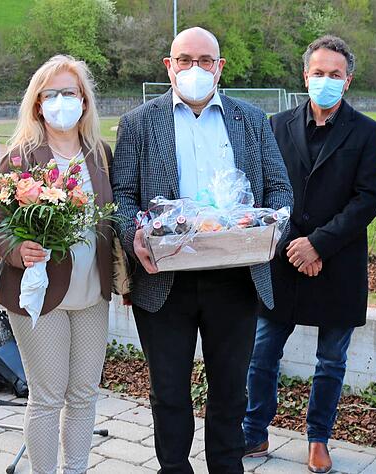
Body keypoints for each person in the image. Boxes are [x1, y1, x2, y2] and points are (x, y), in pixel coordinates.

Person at [111, 27, 293, 474]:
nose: (195, 69)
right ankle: (173, 467)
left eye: (205, 60)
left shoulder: (251, 120)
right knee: (168, 391)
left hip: (235, 276)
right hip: (164, 278)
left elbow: (280, 188)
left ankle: (226, 467)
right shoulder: (139, 122)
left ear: (220, 67)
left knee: (231, 390)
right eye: (185, 60)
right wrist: (136, 236)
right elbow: (122, 196)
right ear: (168, 66)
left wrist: (265, 231)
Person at [242, 35, 376, 473]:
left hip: (337, 261)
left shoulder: (366, 132)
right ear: (305, 76)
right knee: (262, 351)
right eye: (318, 73)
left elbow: (366, 200)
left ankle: (318, 437)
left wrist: (318, 244)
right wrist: (293, 245)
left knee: (331, 359)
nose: (326, 80)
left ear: (348, 80)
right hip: (283, 258)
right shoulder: (275, 125)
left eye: (335, 74)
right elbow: (262, 192)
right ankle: (254, 429)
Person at [0, 54, 115, 474]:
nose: (63, 101)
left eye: (72, 92)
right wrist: (17, 249)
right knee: (47, 397)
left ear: (84, 100)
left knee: (83, 393)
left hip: (92, 293)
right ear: (38, 103)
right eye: (53, 93)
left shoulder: (100, 154)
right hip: (38, 295)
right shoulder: (21, 157)